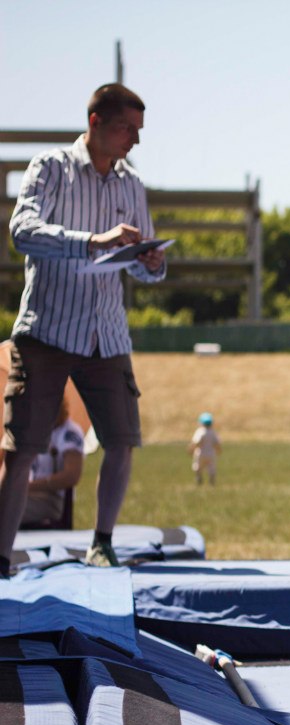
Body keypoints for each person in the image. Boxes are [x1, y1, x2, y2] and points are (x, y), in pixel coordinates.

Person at [1, 83, 166, 573]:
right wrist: (92, 241)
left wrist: (151, 262)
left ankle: (103, 543)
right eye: (125, 129)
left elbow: (140, 267)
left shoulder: (130, 183)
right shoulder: (50, 168)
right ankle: (1, 557)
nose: (133, 141)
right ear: (95, 122)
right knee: (22, 448)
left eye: (138, 131)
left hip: (107, 336)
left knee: (121, 441)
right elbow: (22, 232)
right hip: (47, 332)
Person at [19, 397, 84, 528]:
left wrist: (27, 486)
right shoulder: (34, 430)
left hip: (52, 499)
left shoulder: (69, 432)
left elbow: (71, 476)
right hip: (28, 495)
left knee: (6, 506)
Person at [188, 412, 221, 486]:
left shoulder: (200, 431)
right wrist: (219, 450)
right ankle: (212, 482)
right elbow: (217, 443)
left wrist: (191, 449)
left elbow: (196, 442)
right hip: (211, 454)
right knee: (211, 469)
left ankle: (199, 480)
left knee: (198, 468)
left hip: (201, 453)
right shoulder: (213, 432)